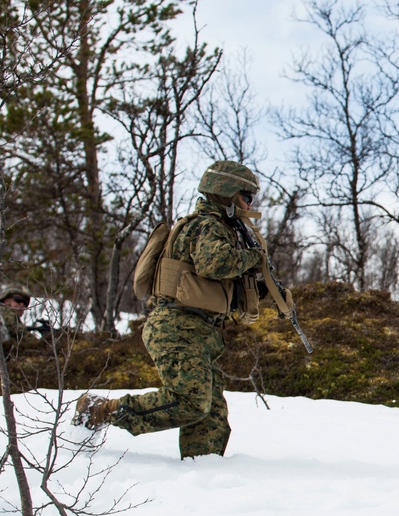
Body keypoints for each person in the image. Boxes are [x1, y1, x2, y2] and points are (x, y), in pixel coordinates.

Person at [73, 160, 277, 459]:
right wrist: (254, 257)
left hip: (198, 330)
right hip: (178, 326)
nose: (250, 204)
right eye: (247, 197)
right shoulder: (205, 225)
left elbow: (217, 288)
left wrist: (267, 292)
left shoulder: (220, 230)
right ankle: (100, 410)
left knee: (211, 412)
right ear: (229, 193)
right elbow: (215, 264)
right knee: (191, 402)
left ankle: (202, 468)